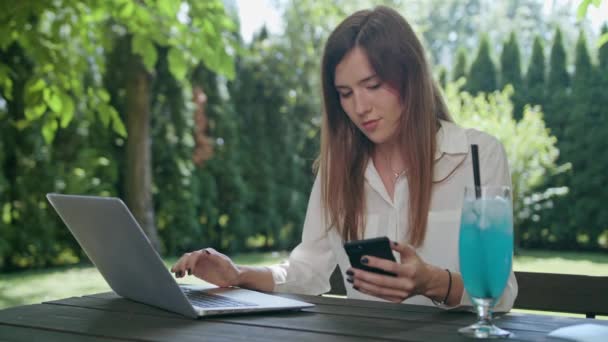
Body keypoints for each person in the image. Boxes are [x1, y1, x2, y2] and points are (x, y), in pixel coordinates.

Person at [171, 5, 517, 311]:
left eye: (373, 85)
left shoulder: (476, 155)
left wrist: (432, 281)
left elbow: (501, 295)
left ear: (410, 77)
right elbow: (307, 270)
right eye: (345, 94)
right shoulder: (338, 169)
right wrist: (238, 273)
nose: (360, 107)